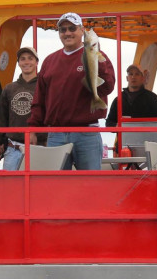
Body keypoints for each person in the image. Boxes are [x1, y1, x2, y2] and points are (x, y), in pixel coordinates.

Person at [28, 12, 115, 170]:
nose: (67, 33)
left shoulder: (99, 57)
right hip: (56, 133)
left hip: (87, 133)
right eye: (63, 29)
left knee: (90, 186)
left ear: (82, 30)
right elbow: (39, 98)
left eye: (72, 28)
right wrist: (33, 129)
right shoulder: (49, 61)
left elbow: (108, 87)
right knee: (57, 188)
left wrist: (98, 58)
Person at [0, 47, 45, 170]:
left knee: (38, 186)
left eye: (30, 59)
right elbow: (1, 118)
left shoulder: (44, 87)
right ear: (19, 63)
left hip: (39, 148)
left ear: (37, 62)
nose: (27, 62)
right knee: (10, 186)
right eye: (23, 59)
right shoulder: (9, 89)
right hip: (13, 148)